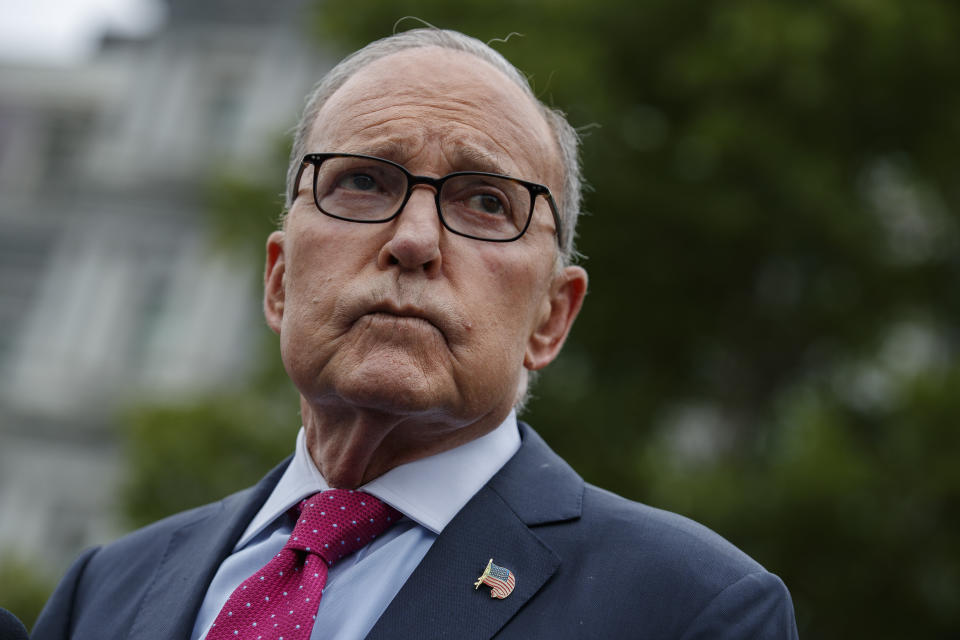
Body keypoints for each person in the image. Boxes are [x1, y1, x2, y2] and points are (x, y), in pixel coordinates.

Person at [33, 28, 799, 639]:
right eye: (363, 181)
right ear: (278, 280)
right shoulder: (105, 590)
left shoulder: (691, 610)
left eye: (487, 203)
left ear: (551, 318)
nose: (414, 239)